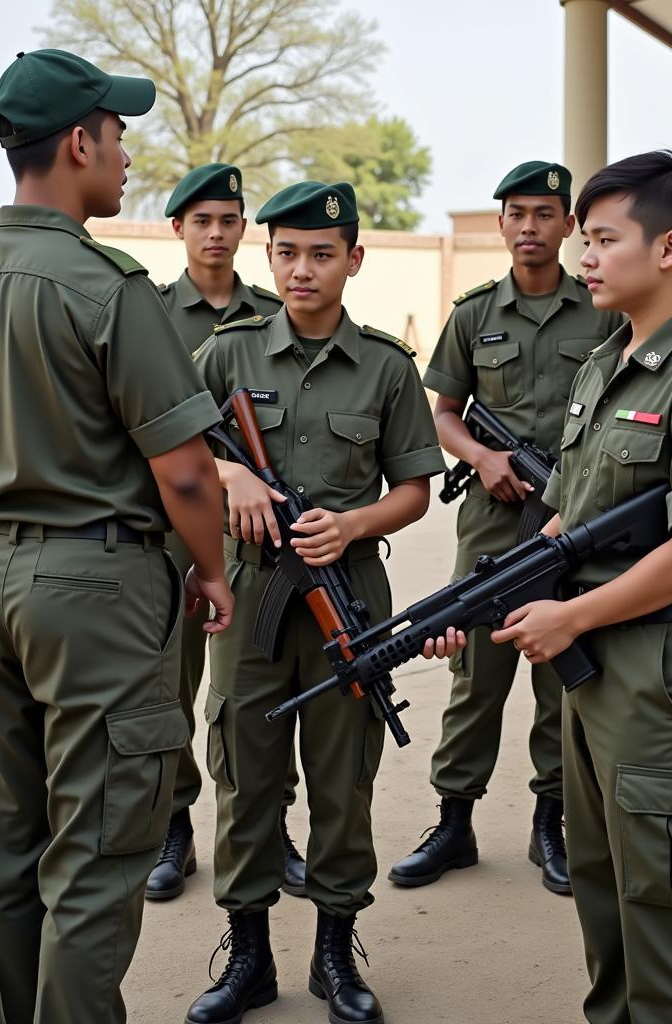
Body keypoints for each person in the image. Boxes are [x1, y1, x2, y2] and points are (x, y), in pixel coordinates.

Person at [0, 49, 232, 1024]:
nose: (127, 154)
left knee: (5, 849)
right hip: (96, 586)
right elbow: (182, 468)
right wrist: (210, 569)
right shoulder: (109, 287)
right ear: (79, 141)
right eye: (119, 134)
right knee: (91, 861)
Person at [431, 151, 672, 1022]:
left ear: (669, 249)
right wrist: (480, 601)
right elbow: (565, 518)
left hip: (667, 669)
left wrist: (568, 613)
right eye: (585, 237)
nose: (584, 255)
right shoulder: (603, 369)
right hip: (599, 659)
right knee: (603, 885)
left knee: (664, 907)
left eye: (604, 238)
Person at [184, 180, 446, 1024]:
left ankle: (336, 951)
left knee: (343, 780)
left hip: (349, 595)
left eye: (322, 254)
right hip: (250, 593)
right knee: (244, 776)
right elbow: (166, 444)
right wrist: (228, 473)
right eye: (288, 252)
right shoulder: (226, 353)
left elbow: (415, 488)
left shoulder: (387, 366)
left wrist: (354, 523)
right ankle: (249, 953)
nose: (303, 270)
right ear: (270, 257)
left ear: (354, 261)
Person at [388, 161, 623, 897]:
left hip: (575, 522)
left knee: (563, 669)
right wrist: (484, 457)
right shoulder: (473, 314)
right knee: (475, 672)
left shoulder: (603, 311)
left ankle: (549, 822)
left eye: (545, 213)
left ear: (567, 225)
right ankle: (453, 820)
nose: (529, 227)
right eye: (517, 213)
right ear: (501, 225)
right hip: (494, 520)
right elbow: (444, 414)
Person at [147, 162, 306, 903]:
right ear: (177, 227)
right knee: (173, 684)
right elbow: (134, 426)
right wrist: (222, 468)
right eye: (201, 220)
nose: (216, 233)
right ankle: (174, 825)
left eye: (229, 220)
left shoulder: (279, 310)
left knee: (270, 680)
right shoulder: (143, 312)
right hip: (176, 532)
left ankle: (271, 824)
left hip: (266, 542)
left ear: (246, 229)